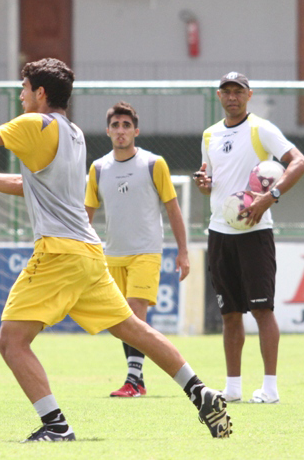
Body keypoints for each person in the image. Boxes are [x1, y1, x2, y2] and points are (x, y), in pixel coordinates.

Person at [0, 58, 231, 441]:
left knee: (12, 341)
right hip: (89, 253)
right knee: (133, 328)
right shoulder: (74, 134)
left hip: (59, 253)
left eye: (25, 88)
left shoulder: (34, 124)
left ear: (41, 93)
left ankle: (56, 426)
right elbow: (25, 183)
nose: (20, 95)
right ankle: (200, 391)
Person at [193, 71, 304, 404]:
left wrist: (270, 197)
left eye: (238, 91)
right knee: (229, 314)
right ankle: (233, 387)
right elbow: (209, 179)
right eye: (226, 91)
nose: (232, 97)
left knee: (262, 311)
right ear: (218, 96)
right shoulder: (210, 134)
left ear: (249, 95)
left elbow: (299, 163)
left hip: (255, 232)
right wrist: (204, 185)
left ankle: (270, 388)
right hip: (219, 232)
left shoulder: (261, 129)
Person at [85, 101, 190, 398]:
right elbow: (86, 217)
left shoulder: (153, 164)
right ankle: (136, 379)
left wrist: (183, 252)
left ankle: (134, 381)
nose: (121, 131)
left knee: (135, 311)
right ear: (107, 131)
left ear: (136, 131)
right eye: (116, 125)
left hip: (146, 251)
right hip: (112, 253)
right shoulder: (98, 168)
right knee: (122, 321)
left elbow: (173, 209)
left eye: (126, 126)